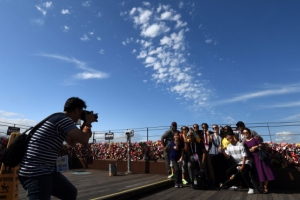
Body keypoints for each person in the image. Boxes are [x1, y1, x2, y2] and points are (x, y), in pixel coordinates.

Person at [18, 97, 96, 199]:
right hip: (36, 172)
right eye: (81, 112)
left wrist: (85, 124)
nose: (80, 116)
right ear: (76, 110)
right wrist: (88, 123)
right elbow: (84, 140)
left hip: (46, 170)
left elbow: (72, 142)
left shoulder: (59, 118)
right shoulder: (63, 120)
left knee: (70, 193)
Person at [242, 128, 275, 194]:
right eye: (244, 133)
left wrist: (255, 147)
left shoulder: (255, 139)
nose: (245, 134)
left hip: (260, 156)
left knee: (266, 171)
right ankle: (261, 186)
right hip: (253, 158)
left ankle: (265, 186)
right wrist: (249, 157)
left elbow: (261, 144)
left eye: (247, 132)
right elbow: (245, 151)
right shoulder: (244, 142)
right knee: (259, 172)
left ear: (249, 133)